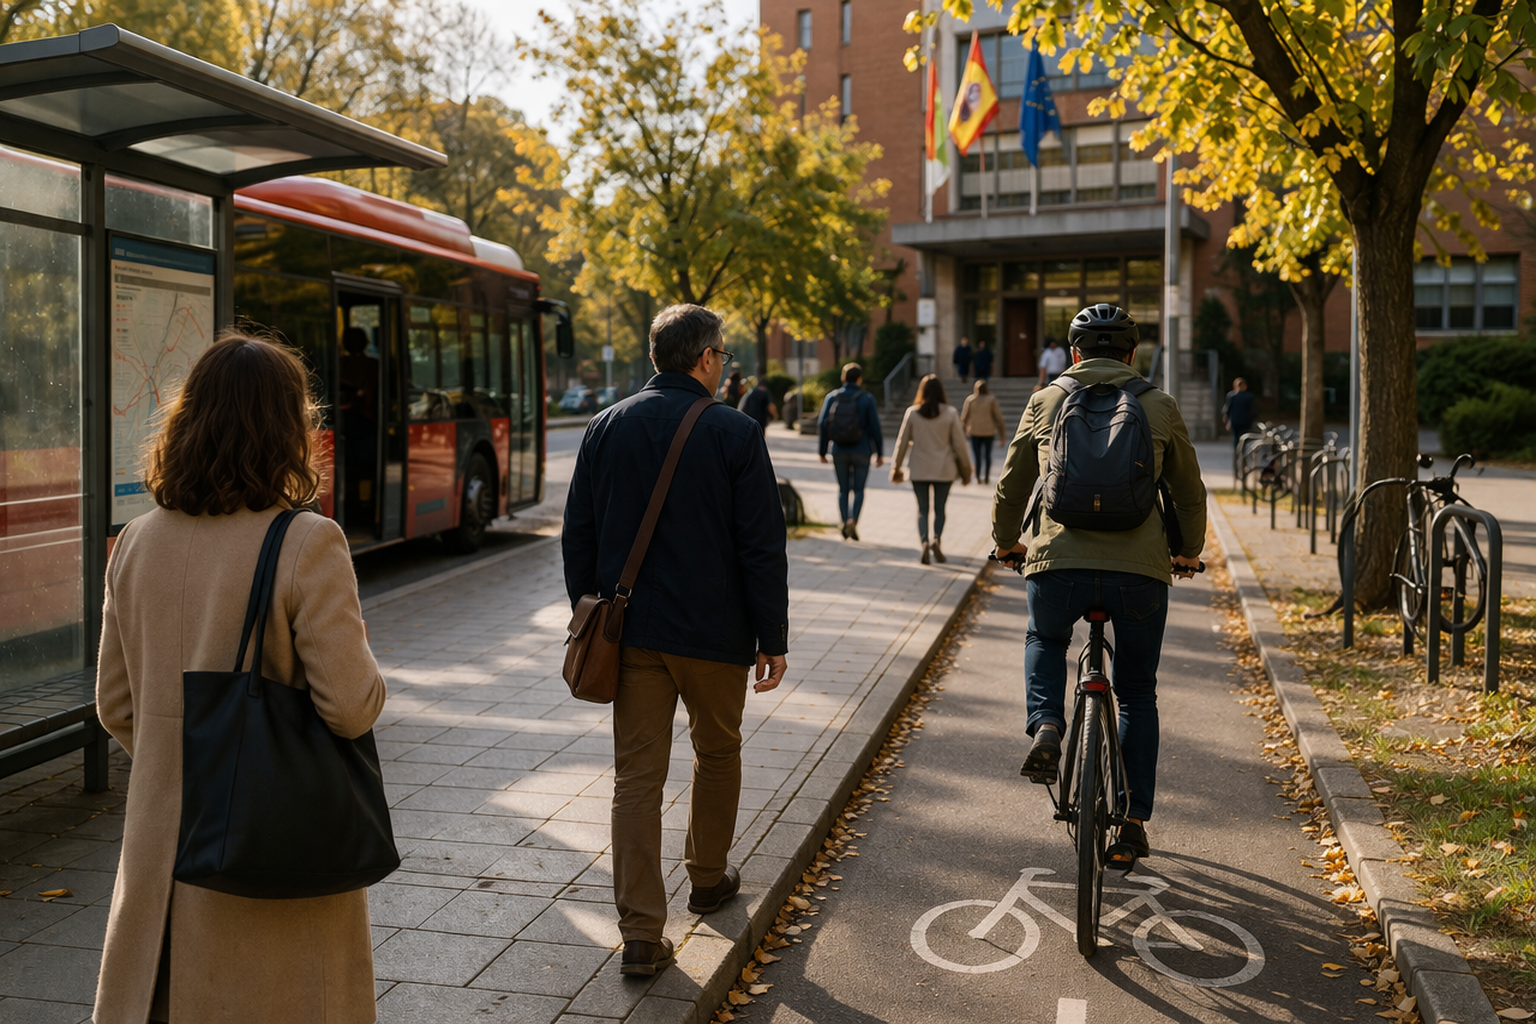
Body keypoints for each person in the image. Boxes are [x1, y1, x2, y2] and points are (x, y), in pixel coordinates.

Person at [94, 334, 386, 1024]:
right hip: (271, 863)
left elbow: (115, 704)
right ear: (288, 428)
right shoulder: (308, 542)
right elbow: (349, 706)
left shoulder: (137, 540)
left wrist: (188, 760)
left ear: (186, 421)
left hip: (162, 854)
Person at [563, 304, 790, 978]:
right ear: (707, 358)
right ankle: (708, 876)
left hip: (630, 633)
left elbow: (578, 533)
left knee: (636, 779)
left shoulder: (605, 426)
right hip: (716, 635)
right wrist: (770, 637)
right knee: (716, 752)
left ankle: (639, 934)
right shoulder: (736, 432)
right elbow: (760, 546)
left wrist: (593, 613)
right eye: (722, 354)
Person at [993, 305, 1206, 870]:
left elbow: (1014, 481)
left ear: (1074, 353)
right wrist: (1188, 551)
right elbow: (1188, 492)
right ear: (1134, 354)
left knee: (1044, 639)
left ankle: (1046, 727)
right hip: (1138, 575)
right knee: (1136, 690)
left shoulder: (1045, 401)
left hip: (1056, 566)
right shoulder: (1158, 404)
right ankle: (1132, 822)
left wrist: (1006, 541)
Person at [891, 374, 972, 564]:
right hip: (944, 469)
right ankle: (937, 539)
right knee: (940, 509)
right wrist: (966, 470)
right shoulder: (951, 413)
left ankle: (924, 542)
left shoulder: (912, 413)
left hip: (918, 468)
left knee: (922, 510)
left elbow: (901, 443)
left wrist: (896, 467)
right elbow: (960, 445)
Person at [817, 363, 884, 540]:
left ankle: (844, 521)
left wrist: (822, 451)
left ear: (843, 378)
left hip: (838, 449)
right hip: (862, 450)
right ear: (860, 379)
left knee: (843, 489)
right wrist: (879, 452)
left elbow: (823, 424)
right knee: (859, 490)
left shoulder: (832, 397)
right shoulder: (867, 399)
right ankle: (853, 521)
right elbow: (875, 427)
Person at [961, 378, 1008, 485]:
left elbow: (964, 417)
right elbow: (998, 417)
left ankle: (977, 477)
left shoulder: (970, 400)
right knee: (987, 456)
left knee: (977, 456)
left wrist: (963, 430)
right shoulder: (991, 399)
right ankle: (986, 477)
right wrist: (1002, 434)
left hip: (974, 431)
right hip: (988, 431)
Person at [1223, 377, 1256, 451]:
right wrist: (1253, 419)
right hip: (1246, 421)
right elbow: (1253, 410)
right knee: (1245, 438)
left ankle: (1236, 452)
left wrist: (1227, 420)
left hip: (1235, 421)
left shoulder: (1231, 396)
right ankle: (1243, 453)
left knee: (1235, 438)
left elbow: (1227, 409)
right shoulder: (1249, 396)